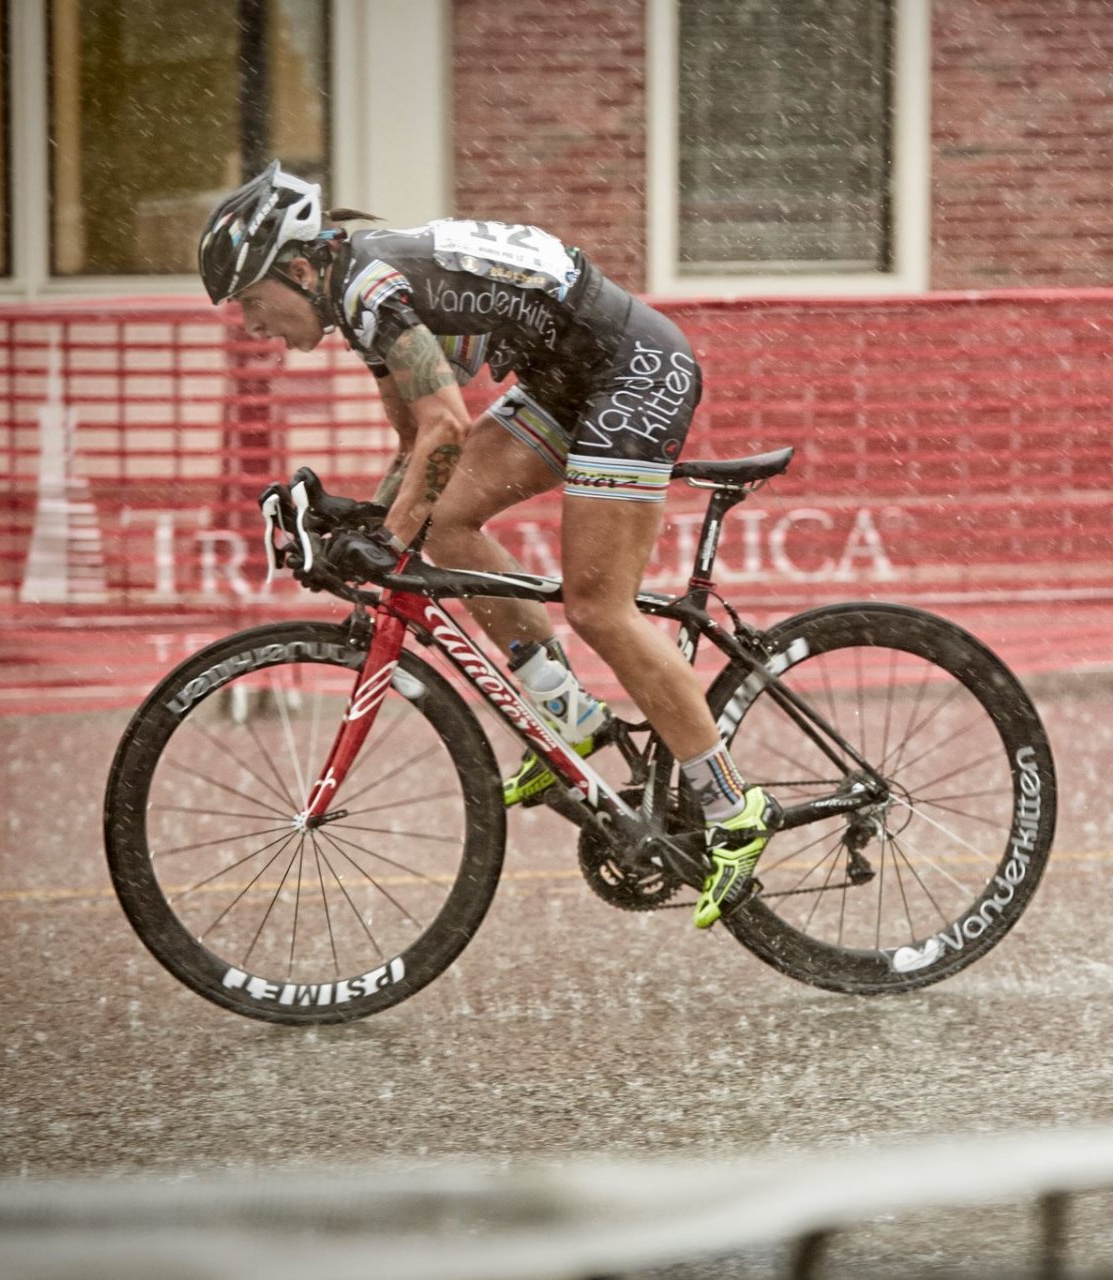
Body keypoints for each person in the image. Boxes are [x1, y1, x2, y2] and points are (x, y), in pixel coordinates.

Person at [196, 162, 774, 929]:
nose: (252, 325)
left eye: (252, 302)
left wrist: (383, 540)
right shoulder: (356, 300)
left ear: (299, 269)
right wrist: (363, 527)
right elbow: (415, 452)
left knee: (599, 607)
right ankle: (564, 711)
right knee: (440, 522)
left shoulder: (372, 292)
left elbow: (448, 427)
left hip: (633, 371)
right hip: (569, 379)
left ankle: (735, 808)